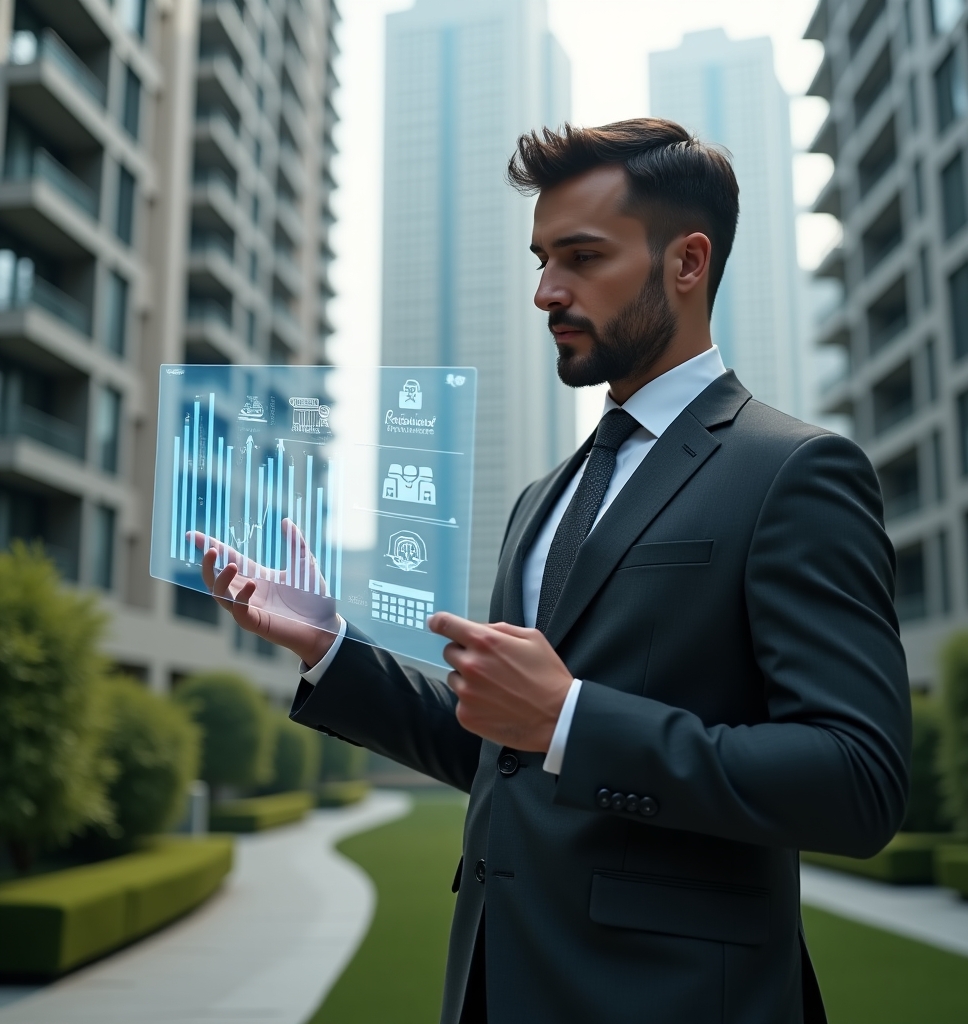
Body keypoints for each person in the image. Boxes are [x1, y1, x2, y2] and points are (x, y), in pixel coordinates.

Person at [200, 119, 911, 1024]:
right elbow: (509, 754)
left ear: (686, 263)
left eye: (580, 257)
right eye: (540, 260)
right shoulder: (544, 498)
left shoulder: (795, 471)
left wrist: (574, 717)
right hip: (496, 988)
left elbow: (858, 780)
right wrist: (330, 647)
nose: (545, 291)